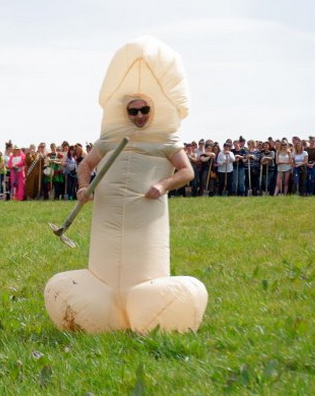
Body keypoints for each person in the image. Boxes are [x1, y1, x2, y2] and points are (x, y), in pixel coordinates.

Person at [45, 36, 208, 335]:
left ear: (153, 109)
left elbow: (187, 172)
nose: (139, 116)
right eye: (133, 111)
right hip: (107, 214)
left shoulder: (166, 140)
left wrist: (163, 184)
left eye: (144, 109)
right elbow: (85, 165)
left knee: (143, 269)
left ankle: (152, 305)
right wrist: (83, 187)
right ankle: (97, 305)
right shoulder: (109, 140)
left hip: (145, 215)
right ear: (125, 113)